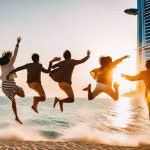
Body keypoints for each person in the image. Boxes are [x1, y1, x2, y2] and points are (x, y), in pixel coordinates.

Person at [0, 37, 25, 124]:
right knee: (23, 95)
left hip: (4, 85)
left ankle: (16, 117)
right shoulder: (11, 62)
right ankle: (15, 92)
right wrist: (17, 44)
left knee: (13, 100)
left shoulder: (2, 64)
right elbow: (15, 54)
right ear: (9, 57)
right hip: (10, 83)